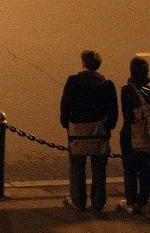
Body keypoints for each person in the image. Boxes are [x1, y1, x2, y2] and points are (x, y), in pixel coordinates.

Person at [60, 50, 119, 214]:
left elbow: (65, 106)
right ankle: (98, 203)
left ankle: (78, 201)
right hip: (98, 131)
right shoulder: (107, 84)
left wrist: (67, 124)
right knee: (99, 168)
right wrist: (108, 128)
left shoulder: (73, 81)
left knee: (77, 166)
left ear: (83, 63)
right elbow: (113, 112)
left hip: (78, 130)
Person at [118, 56, 150, 214]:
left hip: (132, 136)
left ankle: (130, 202)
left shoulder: (127, 89)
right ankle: (142, 201)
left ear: (131, 72)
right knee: (146, 169)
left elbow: (128, 117)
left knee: (130, 170)